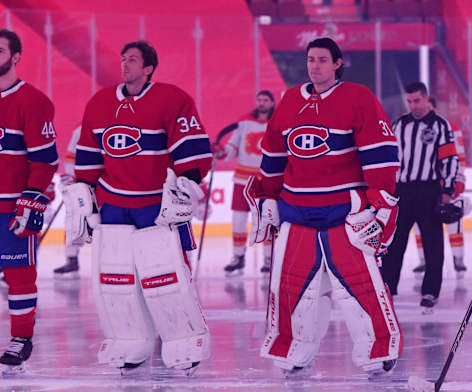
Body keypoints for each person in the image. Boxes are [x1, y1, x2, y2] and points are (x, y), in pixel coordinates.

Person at [244, 37, 403, 377]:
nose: (314, 65)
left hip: (344, 212)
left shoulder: (358, 98)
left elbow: (381, 155)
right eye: (310, 59)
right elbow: (273, 156)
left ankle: (378, 349)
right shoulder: (288, 101)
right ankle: (292, 350)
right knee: (292, 286)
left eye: (321, 60)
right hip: (296, 210)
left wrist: (379, 204)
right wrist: (269, 196)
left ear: (337, 63)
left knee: (360, 285)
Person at [63, 40, 212, 375]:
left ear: (148, 68)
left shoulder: (171, 98)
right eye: (123, 59)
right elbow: (89, 152)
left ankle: (184, 339)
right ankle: (130, 340)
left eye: (132, 60)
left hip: (155, 203)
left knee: (167, 275)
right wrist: (84, 189)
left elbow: (190, 143)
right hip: (115, 202)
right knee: (116, 277)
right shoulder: (101, 102)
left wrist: (189, 180)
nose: (125, 65)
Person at [0, 29, 58, 372]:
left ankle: (21, 338)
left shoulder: (32, 101)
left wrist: (32, 198)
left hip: (9, 207)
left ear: (16, 56)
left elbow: (45, 159)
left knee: (19, 273)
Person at [381, 82, 459, 314]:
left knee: (433, 244)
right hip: (402, 191)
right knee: (394, 244)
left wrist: (447, 192)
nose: (413, 105)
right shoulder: (399, 125)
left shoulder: (440, 126)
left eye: (417, 100)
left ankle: (430, 292)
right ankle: (388, 288)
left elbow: (450, 160)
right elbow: (389, 156)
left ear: (427, 99)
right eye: (410, 101)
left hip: (429, 191)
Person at [215, 90, 275, 275]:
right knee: (239, 219)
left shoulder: (277, 122)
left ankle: (268, 258)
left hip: (266, 180)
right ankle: (238, 257)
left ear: (272, 103)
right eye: (259, 100)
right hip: (243, 179)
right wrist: (221, 152)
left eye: (265, 100)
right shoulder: (244, 122)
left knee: (267, 220)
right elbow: (232, 148)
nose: (261, 103)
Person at [412, 96, 468, 278]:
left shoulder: (451, 128)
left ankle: (458, 259)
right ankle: (423, 260)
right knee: (420, 224)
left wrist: (457, 180)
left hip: (447, 184)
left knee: (453, 220)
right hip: (425, 186)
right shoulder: (414, 128)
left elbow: (459, 157)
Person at [52, 125, 83, 279]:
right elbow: (71, 157)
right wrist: (71, 179)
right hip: (81, 186)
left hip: (104, 185)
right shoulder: (80, 131)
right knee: (73, 220)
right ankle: (72, 258)